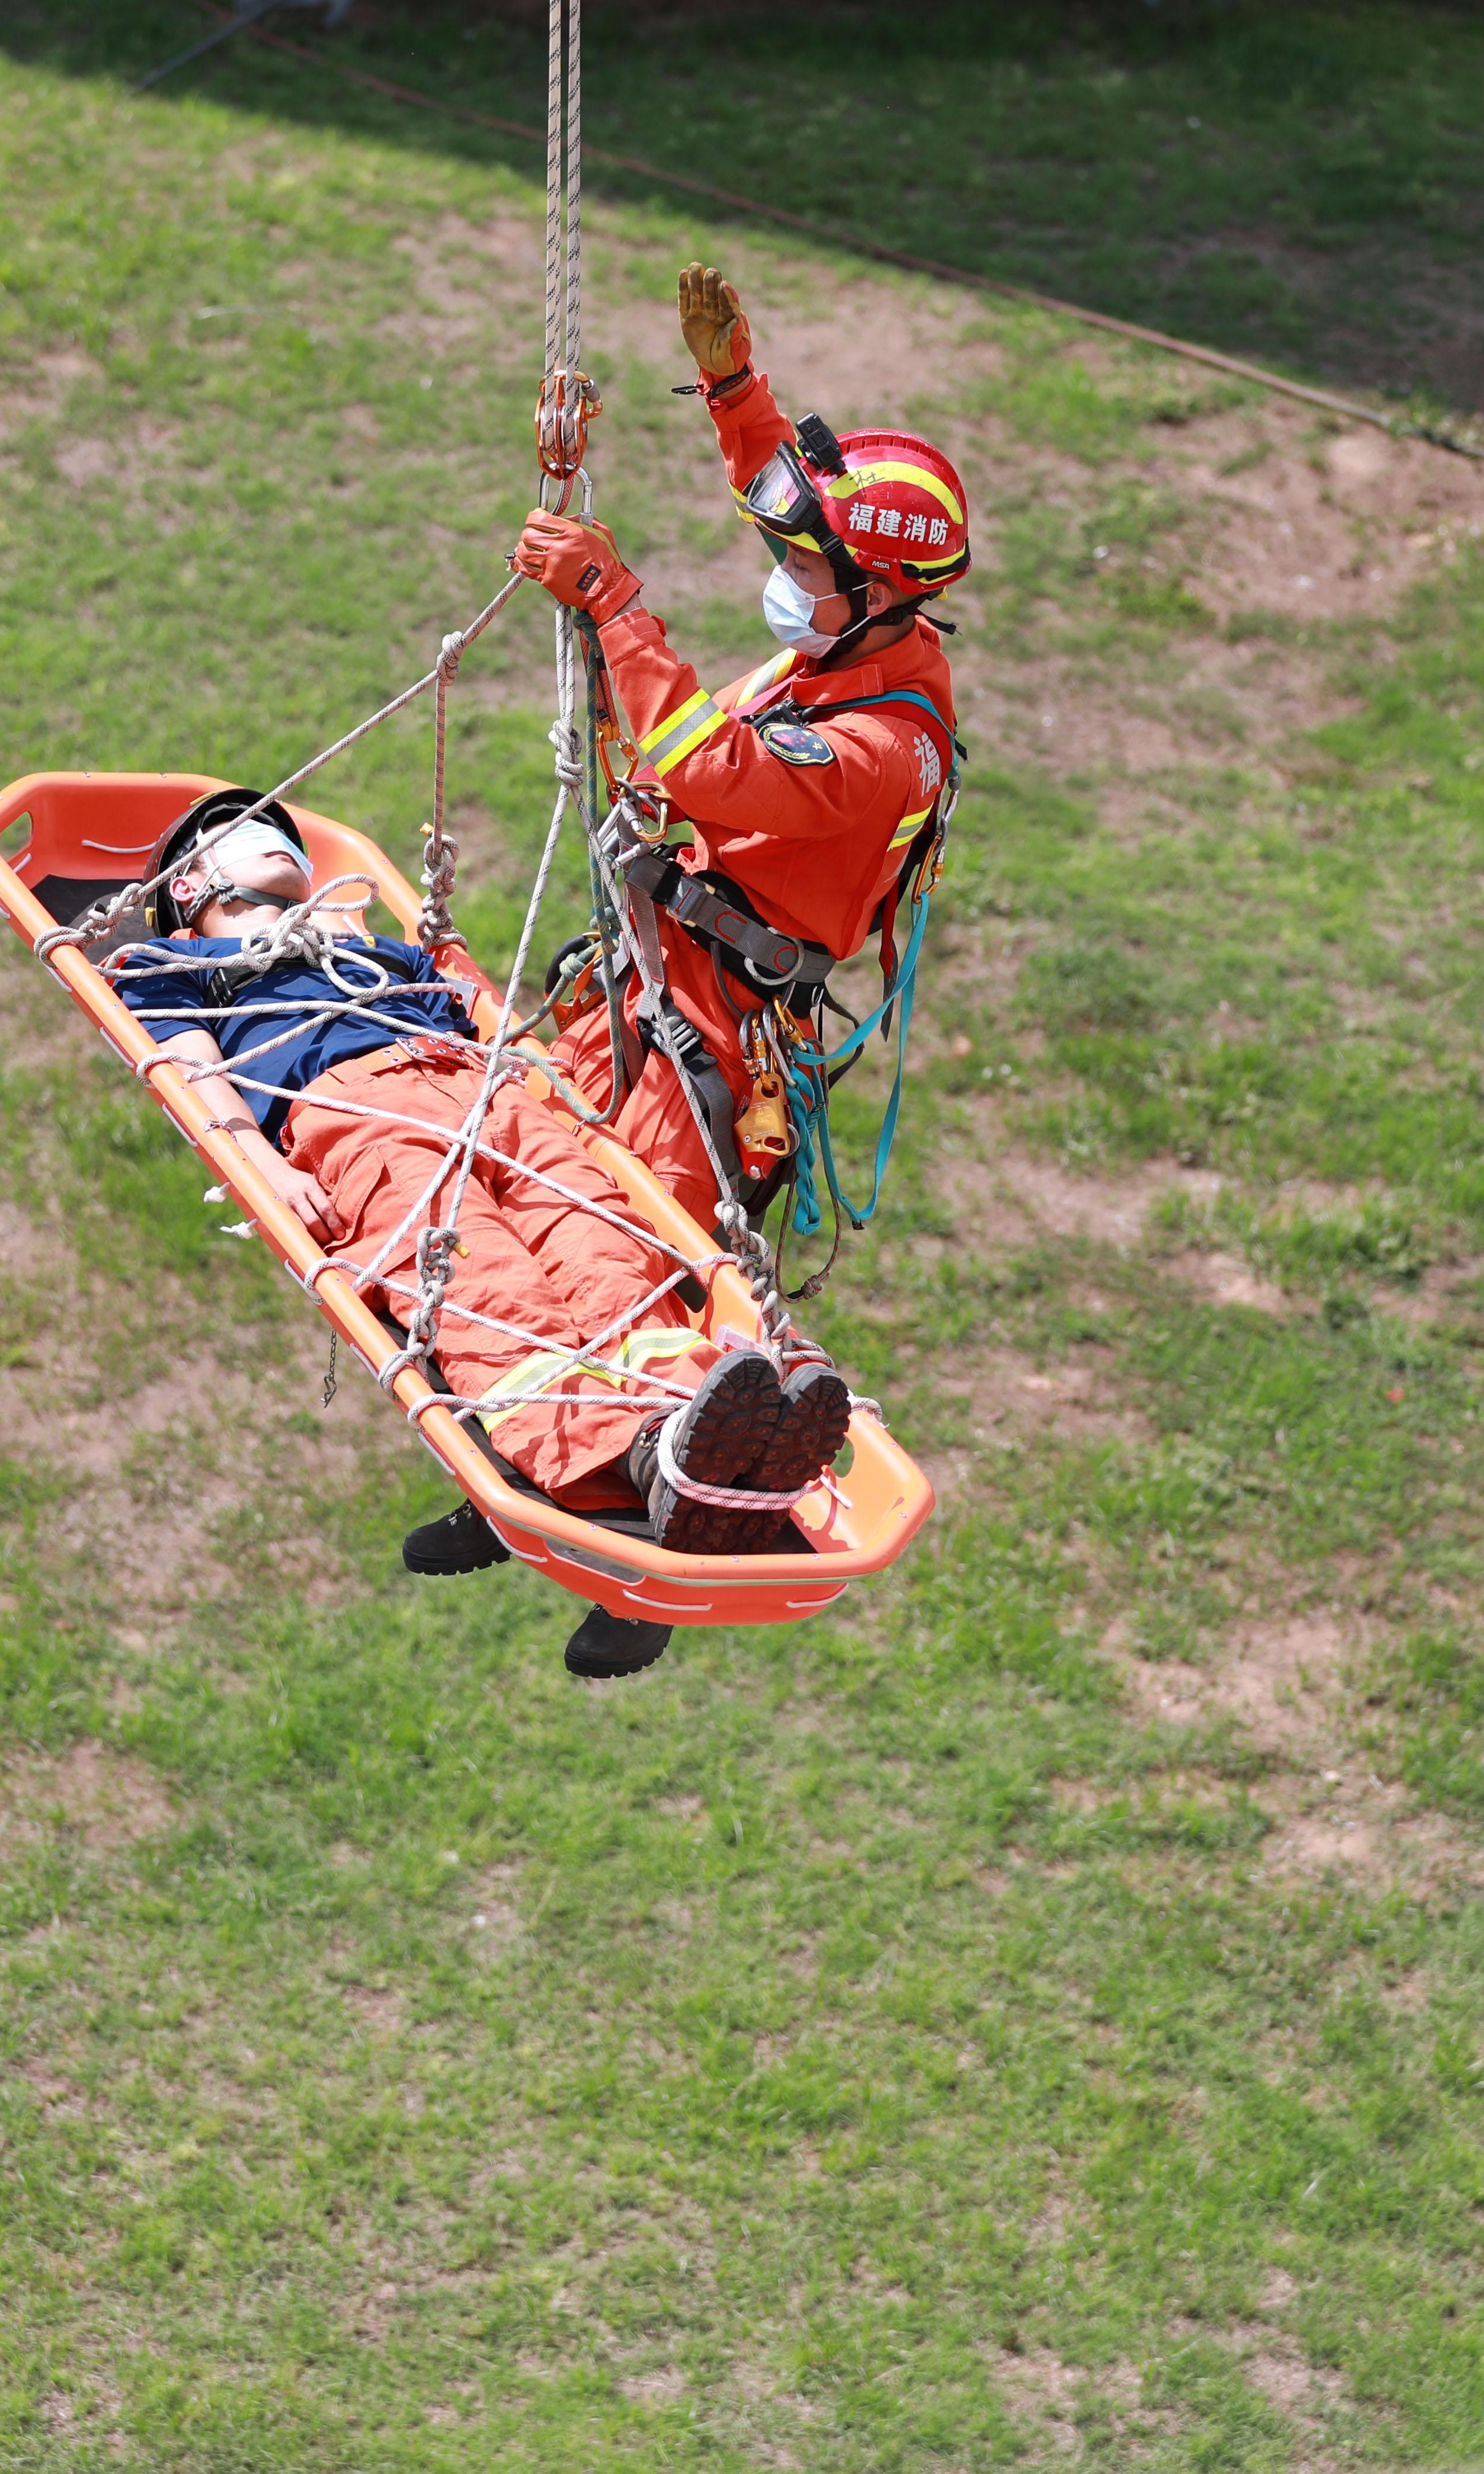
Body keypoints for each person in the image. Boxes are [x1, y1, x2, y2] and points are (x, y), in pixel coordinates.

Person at [101, 789, 851, 1680]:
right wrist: (262, 1165)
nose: (281, 843)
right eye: (249, 834)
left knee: (607, 1257)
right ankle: (642, 1456)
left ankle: (698, 1428)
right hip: (359, 1116)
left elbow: (484, 1022)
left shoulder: (369, 948)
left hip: (490, 1097)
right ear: (192, 883)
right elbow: (186, 1067)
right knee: (487, 1295)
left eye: (284, 833)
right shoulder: (174, 964)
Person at [506, 263, 969, 1235]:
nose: (783, 577)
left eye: (802, 566)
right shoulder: (867, 642)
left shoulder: (881, 746)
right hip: (662, 973)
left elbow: (705, 767)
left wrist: (614, 603)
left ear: (877, 594)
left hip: (720, 1039)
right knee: (525, 1161)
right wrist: (736, 390)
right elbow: (810, 517)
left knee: (618, 1245)